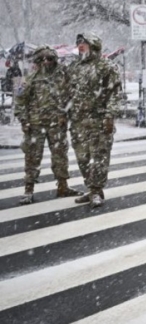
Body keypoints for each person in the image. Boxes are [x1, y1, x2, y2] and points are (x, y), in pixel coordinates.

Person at [14, 46, 83, 204]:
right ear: (37, 61)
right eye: (42, 59)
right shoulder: (30, 78)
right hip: (35, 124)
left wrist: (66, 113)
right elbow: (20, 101)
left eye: (49, 59)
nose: (46, 62)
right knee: (32, 157)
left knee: (60, 156)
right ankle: (28, 189)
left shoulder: (62, 76)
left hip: (57, 124)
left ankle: (63, 186)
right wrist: (24, 121)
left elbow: (72, 95)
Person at [67, 33, 123, 208]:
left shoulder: (106, 66)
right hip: (78, 121)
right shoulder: (74, 67)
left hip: (98, 120)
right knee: (82, 157)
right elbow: (66, 92)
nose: (81, 45)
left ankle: (97, 190)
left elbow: (115, 93)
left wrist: (109, 115)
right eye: (79, 43)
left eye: (84, 43)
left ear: (94, 45)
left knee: (98, 158)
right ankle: (90, 189)